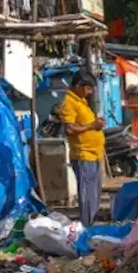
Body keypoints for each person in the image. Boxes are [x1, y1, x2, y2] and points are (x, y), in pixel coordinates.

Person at [59, 70, 105, 226]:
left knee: (94, 193)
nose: (90, 92)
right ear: (79, 85)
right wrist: (92, 125)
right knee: (87, 195)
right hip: (83, 155)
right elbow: (69, 129)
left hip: (94, 154)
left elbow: (85, 126)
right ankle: (87, 226)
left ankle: (91, 223)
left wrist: (96, 126)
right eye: (88, 88)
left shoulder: (81, 101)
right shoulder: (69, 103)